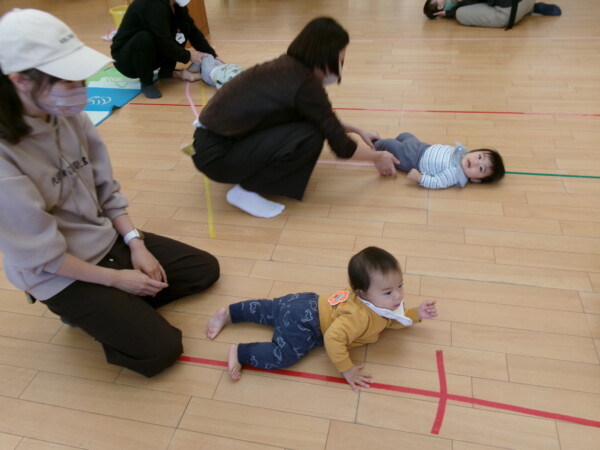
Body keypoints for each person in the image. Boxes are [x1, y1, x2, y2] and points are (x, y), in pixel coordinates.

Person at [0, 9, 220, 377]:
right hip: (59, 271)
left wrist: (136, 244)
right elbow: (42, 256)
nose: (81, 90)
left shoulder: (67, 114)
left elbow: (106, 188)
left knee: (204, 270)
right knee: (161, 350)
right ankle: (92, 307)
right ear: (21, 80)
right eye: (68, 81)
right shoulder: (6, 158)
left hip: (104, 240)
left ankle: (113, 304)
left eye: (81, 79)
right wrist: (118, 280)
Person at [190, 17, 399, 219]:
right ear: (324, 56)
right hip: (217, 156)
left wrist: (358, 130)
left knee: (307, 125)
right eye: (340, 60)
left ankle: (247, 178)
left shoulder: (288, 67)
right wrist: (377, 157)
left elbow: (321, 118)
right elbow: (341, 146)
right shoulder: (304, 84)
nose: (340, 66)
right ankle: (247, 190)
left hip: (209, 145)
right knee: (311, 136)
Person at [205, 247, 437, 391]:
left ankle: (230, 312)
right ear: (362, 294)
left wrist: (416, 314)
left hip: (307, 301)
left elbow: (391, 319)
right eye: (388, 292)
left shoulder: (382, 303)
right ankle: (241, 352)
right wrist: (347, 370)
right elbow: (333, 339)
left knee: (269, 309)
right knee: (283, 355)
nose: (398, 296)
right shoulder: (357, 318)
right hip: (306, 325)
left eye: (400, 285)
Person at [111, 0, 220, 99]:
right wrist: (189, 56)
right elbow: (163, 42)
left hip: (151, 54)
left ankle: (167, 71)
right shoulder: (152, 5)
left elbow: (192, 31)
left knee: (183, 26)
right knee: (144, 38)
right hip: (128, 60)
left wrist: (212, 55)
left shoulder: (176, 5)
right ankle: (146, 83)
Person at [374, 132, 505, 189]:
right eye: (480, 157)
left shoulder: (455, 174)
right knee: (405, 135)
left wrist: (420, 178)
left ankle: (375, 145)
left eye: (481, 169)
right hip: (422, 147)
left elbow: (437, 182)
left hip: (412, 159)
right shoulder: (461, 153)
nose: (476, 162)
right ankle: (395, 146)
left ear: (476, 180)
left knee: (390, 145)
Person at [423, 0, 561, 29]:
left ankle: (528, 10)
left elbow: (474, 3)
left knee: (461, 13)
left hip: (510, 12)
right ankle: (532, 7)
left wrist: (451, 13)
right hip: (527, 1)